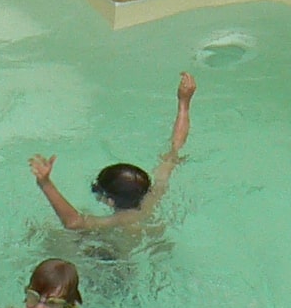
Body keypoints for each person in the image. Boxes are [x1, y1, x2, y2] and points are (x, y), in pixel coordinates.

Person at [31, 71, 195, 242]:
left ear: (110, 202)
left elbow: (73, 223)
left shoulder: (119, 220)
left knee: (47, 234)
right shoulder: (154, 195)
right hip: (152, 242)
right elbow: (175, 148)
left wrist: (45, 183)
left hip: (117, 260)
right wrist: (184, 103)